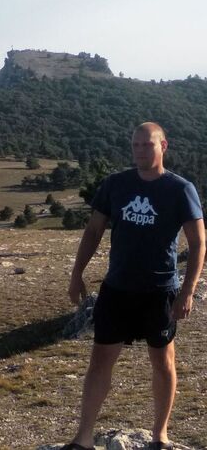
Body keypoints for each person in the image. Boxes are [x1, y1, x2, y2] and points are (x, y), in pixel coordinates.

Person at [62, 122, 205, 450]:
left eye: (147, 145)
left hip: (159, 291)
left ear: (163, 146)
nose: (140, 151)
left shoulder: (180, 189)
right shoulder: (115, 184)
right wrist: (76, 273)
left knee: (163, 362)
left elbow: (198, 242)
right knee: (100, 361)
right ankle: (83, 438)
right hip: (117, 289)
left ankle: (160, 435)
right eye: (135, 145)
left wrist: (187, 291)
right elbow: (93, 231)